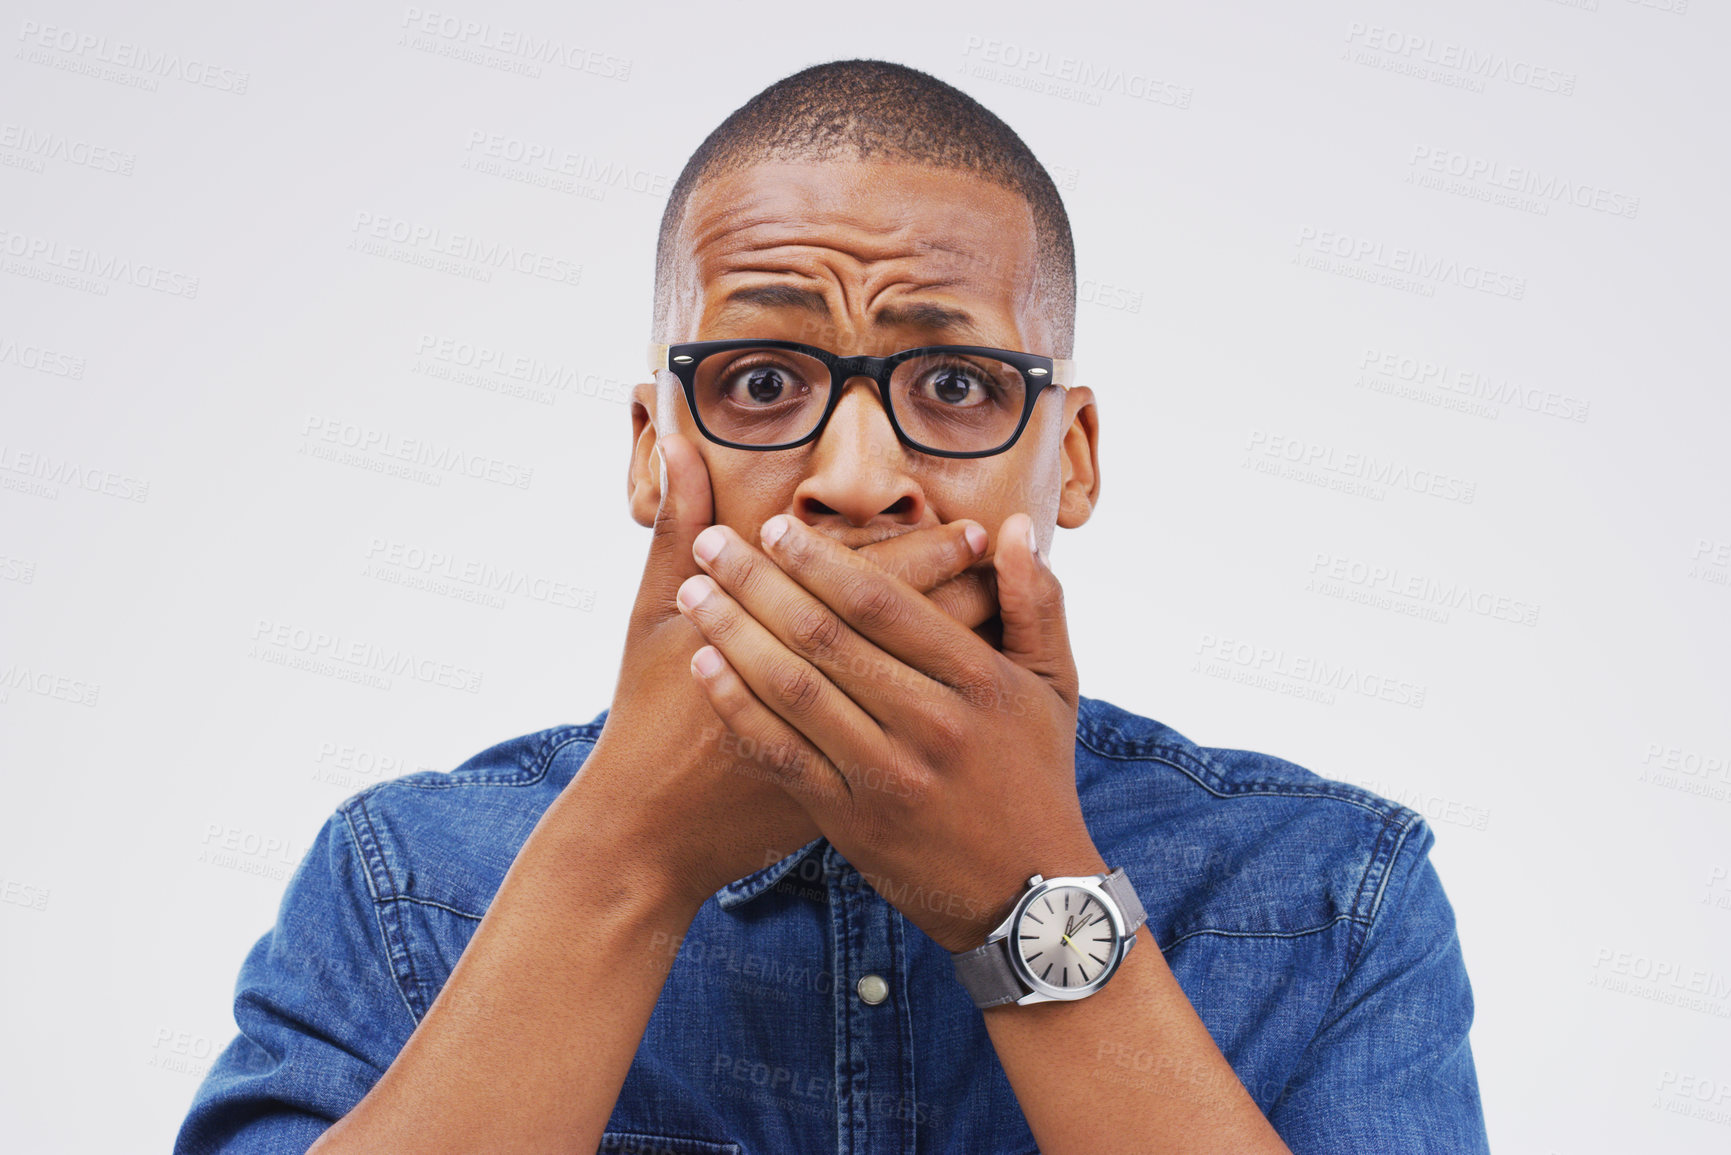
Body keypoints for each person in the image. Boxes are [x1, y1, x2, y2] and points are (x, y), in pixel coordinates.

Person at [175, 58, 1489, 1155]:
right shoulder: (405, 889)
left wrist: (1029, 900)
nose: (857, 481)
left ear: (1073, 456)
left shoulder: (1329, 899)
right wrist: (625, 863)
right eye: (758, 382)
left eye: (957, 387)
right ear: (649, 447)